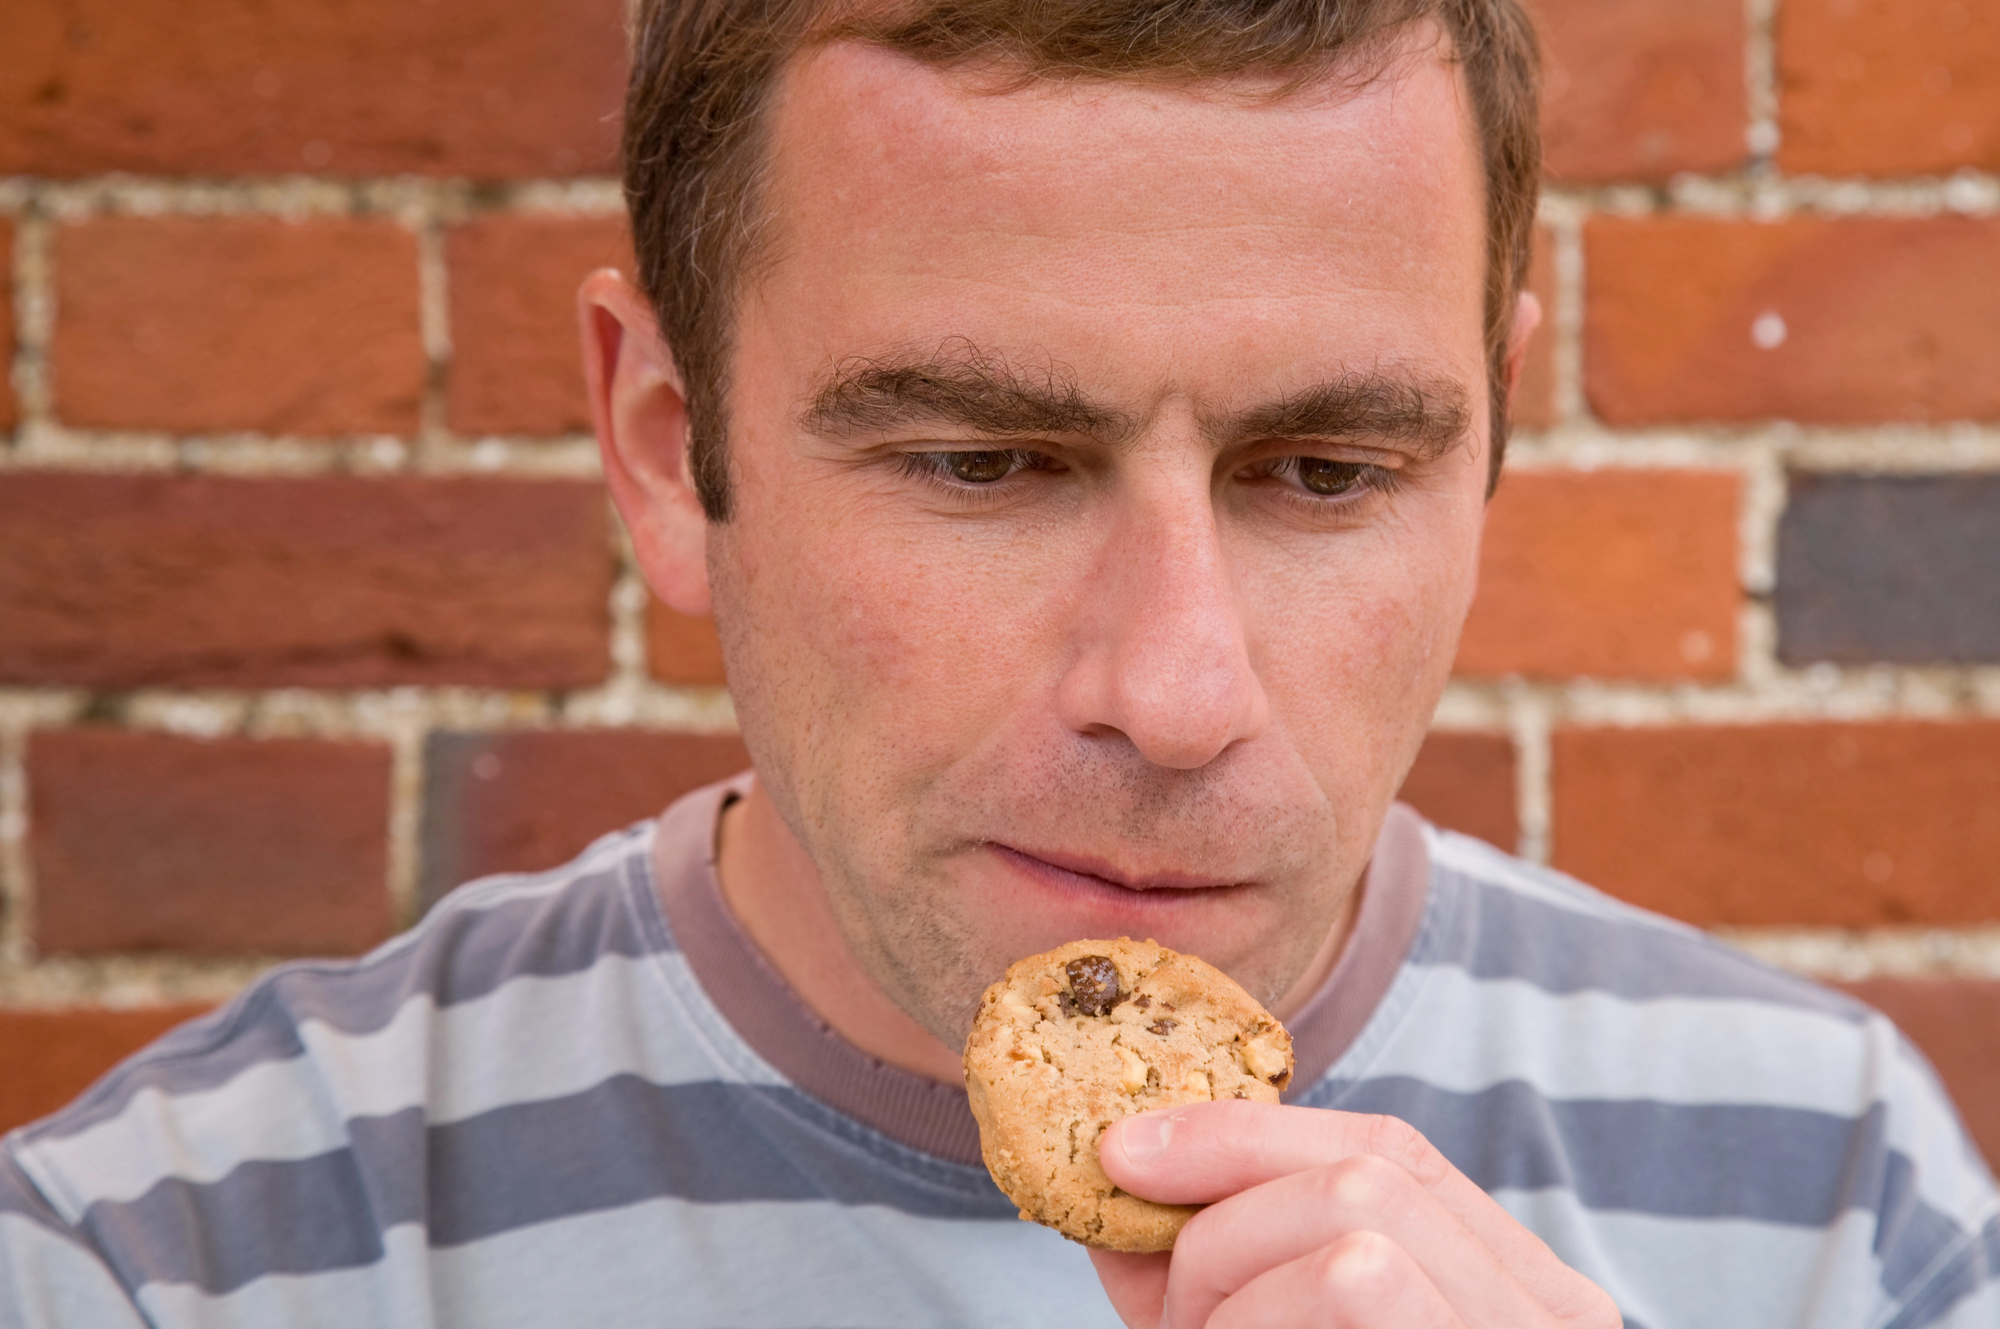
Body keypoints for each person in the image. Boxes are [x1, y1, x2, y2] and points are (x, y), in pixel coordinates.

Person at [3, 1, 1994, 1325]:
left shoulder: (1830, 1189)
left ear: (1495, 434)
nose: (1179, 685)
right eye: (981, 459)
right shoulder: (172, 1253)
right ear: (662, 450)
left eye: (1326, 467)